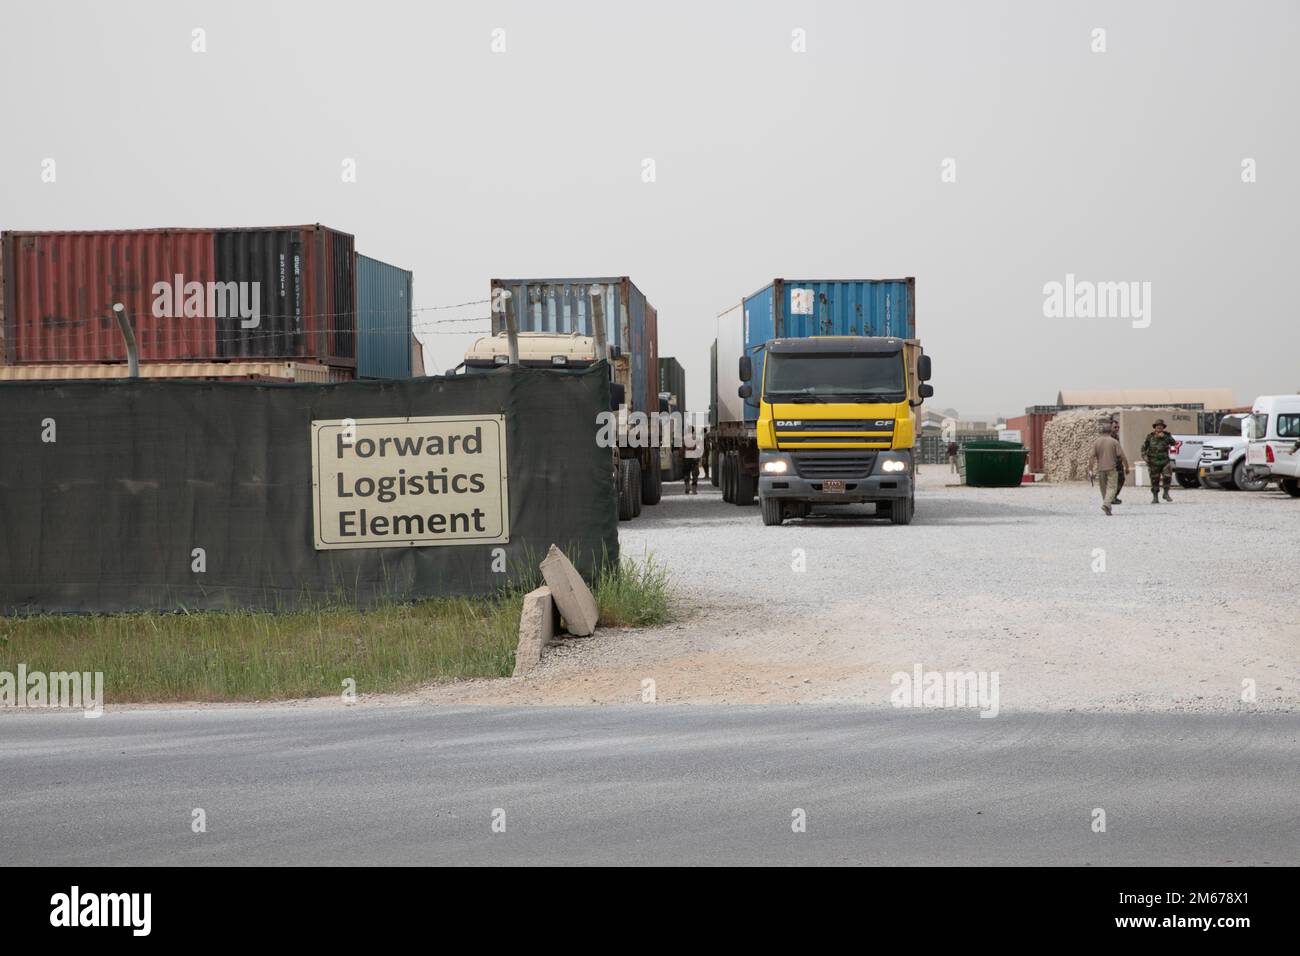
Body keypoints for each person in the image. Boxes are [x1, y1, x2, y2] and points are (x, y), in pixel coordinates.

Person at [1088, 421, 1130, 516]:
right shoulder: (1114, 441)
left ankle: (1107, 507)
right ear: (1110, 431)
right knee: (1112, 488)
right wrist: (1127, 467)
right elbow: (1122, 455)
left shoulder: (1096, 442)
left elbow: (1091, 456)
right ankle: (1107, 504)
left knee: (1103, 489)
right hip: (1111, 468)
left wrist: (1090, 470)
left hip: (1101, 469)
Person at [1141, 419, 1177, 503]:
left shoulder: (1167, 435)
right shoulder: (1150, 436)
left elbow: (1174, 443)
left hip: (1165, 461)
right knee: (1154, 479)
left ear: (1163, 427)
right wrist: (1144, 457)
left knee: (1167, 476)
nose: (1159, 427)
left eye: (1161, 426)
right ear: (1155, 427)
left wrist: (1165, 437)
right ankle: (1155, 497)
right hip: (1153, 462)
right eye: (1157, 426)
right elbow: (1143, 448)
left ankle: (1166, 493)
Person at [683, 426, 703, 494]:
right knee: (695, 473)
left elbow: (682, 449)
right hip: (694, 458)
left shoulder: (684, 438)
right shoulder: (697, 438)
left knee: (686, 472)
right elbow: (699, 448)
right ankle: (694, 489)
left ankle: (687, 487)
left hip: (687, 457)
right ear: (693, 431)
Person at [1109, 419, 1124, 504]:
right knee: (1113, 481)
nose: (1117, 429)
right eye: (1115, 427)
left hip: (1118, 462)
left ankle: (1114, 496)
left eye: (1118, 427)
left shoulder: (1116, 436)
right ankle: (1111, 498)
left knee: (1121, 479)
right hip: (1112, 462)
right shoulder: (1109, 437)